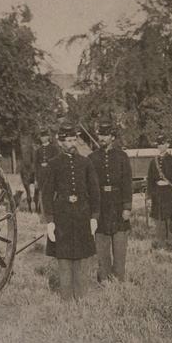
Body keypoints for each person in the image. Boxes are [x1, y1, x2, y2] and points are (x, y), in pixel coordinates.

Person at [41, 123, 100, 300]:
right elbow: (47, 194)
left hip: (82, 215)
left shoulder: (86, 162)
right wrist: (50, 221)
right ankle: (66, 299)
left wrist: (94, 217)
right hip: (63, 217)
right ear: (61, 143)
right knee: (64, 258)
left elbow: (95, 191)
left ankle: (81, 298)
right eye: (68, 140)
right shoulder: (53, 164)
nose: (72, 143)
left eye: (74, 139)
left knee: (82, 258)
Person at [88, 119, 132, 282]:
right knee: (102, 245)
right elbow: (89, 187)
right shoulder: (91, 158)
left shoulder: (122, 157)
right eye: (100, 134)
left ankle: (118, 279)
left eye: (106, 135)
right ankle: (105, 280)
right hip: (100, 207)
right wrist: (92, 212)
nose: (102, 138)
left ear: (112, 137)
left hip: (118, 205)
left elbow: (127, 183)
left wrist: (127, 207)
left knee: (120, 246)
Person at [34, 128, 61, 218]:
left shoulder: (54, 149)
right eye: (41, 136)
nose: (42, 138)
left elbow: (57, 162)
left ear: (48, 137)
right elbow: (36, 165)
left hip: (51, 175)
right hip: (41, 177)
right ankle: (44, 215)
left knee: (53, 195)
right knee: (42, 196)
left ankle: (54, 214)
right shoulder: (38, 150)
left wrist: (48, 163)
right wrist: (36, 180)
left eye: (44, 136)